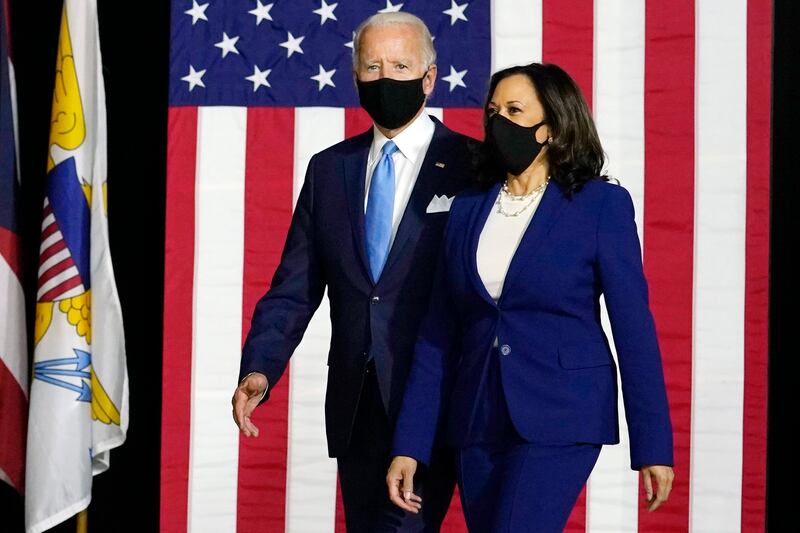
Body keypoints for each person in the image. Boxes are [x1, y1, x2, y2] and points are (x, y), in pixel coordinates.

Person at [386, 63, 675, 532]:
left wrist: (653, 446)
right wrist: (410, 445)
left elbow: (634, 330)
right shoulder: (466, 209)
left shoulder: (601, 205)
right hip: (477, 419)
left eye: (515, 110)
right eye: (493, 110)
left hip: (561, 415)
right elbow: (438, 334)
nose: (499, 121)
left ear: (552, 127)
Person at [231, 12, 476, 532]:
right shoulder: (328, 169)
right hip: (358, 405)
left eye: (401, 66)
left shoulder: (472, 166)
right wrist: (260, 369)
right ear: (356, 77)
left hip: (439, 400)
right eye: (373, 67)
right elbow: (294, 288)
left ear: (429, 78)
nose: (386, 78)